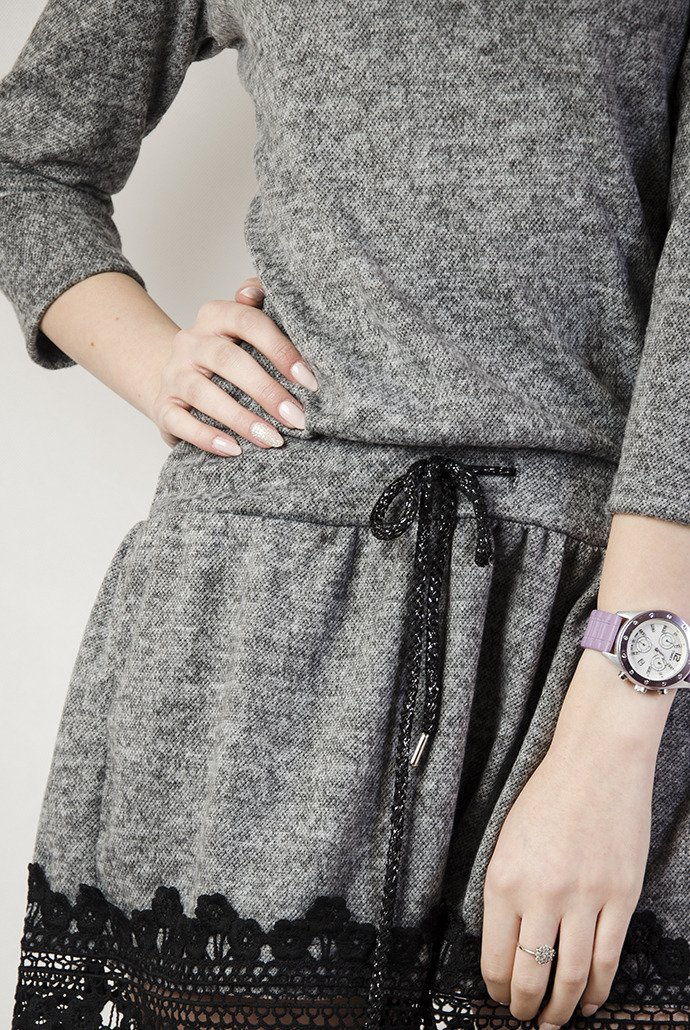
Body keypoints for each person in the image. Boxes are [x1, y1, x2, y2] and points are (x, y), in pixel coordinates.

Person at [2, 1, 690, 1028]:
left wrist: (617, 728)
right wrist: (157, 364)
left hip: (586, 622)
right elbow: (24, 160)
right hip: (260, 624)